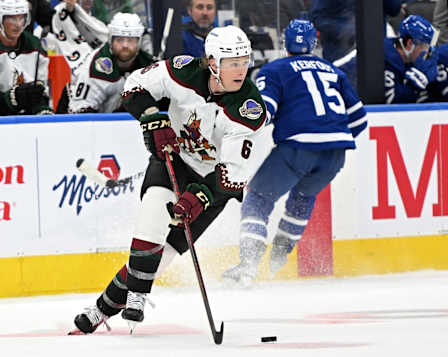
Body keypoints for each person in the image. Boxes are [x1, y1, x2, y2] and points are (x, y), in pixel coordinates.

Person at [72, 25, 267, 334]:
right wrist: (151, 116)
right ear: (212, 63)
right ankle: (136, 296)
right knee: (151, 222)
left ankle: (100, 309)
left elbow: (232, 176)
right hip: (174, 161)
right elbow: (135, 85)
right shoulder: (182, 71)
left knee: (160, 261)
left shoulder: (249, 110)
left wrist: (200, 196)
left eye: (244, 61)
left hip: (212, 186)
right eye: (232, 63)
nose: (240, 70)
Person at [222, 19, 367, 287]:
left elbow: (266, 111)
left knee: (257, 200)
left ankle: (248, 266)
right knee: (303, 196)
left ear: (282, 43)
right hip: (336, 153)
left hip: (298, 147)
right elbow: (359, 120)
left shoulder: (274, 70)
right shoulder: (333, 71)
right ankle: (279, 256)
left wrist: (234, 128)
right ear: (316, 43)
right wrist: (329, 139)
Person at [0, 0, 52, 116]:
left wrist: (42, 109)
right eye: (12, 19)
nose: (18, 24)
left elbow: (40, 93)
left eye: (21, 18)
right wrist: (13, 98)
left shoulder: (35, 46)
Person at [67, 12, 155, 113]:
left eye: (130, 40)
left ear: (139, 42)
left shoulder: (149, 66)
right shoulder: (96, 66)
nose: (125, 45)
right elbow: (81, 113)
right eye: (120, 40)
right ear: (110, 40)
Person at [384, 15, 438, 103]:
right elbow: (389, 103)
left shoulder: (407, 59)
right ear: (410, 44)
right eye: (425, 47)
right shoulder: (386, 60)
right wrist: (413, 87)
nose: (427, 53)